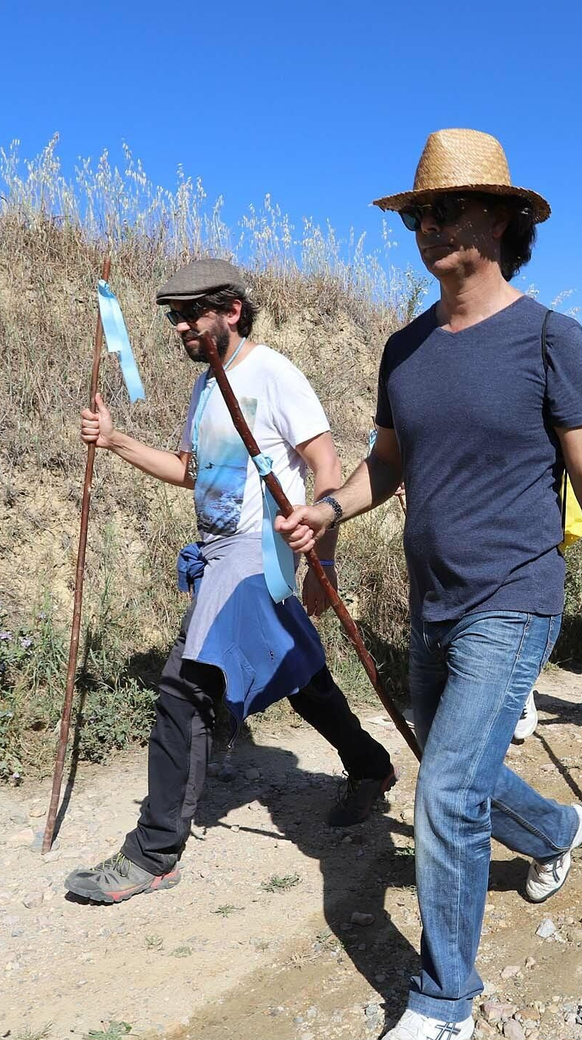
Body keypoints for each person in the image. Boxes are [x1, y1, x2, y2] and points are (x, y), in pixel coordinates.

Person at [277, 128, 582, 1040]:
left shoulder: (548, 338)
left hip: (514, 595)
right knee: (463, 769)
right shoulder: (404, 348)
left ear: (501, 218)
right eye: (417, 213)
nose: (428, 225)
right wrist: (329, 506)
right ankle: (556, 826)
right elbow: (388, 468)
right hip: (432, 601)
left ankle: (444, 1002)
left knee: (445, 787)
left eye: (446, 209)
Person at [63, 259, 397, 905]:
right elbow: (194, 471)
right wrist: (114, 441)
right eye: (173, 316)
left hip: (260, 552)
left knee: (184, 686)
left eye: (192, 314)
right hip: (218, 553)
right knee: (297, 671)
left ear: (232, 310)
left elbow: (326, 466)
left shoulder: (272, 373)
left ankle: (153, 852)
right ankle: (371, 764)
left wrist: (321, 558)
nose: (181, 326)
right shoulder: (206, 387)